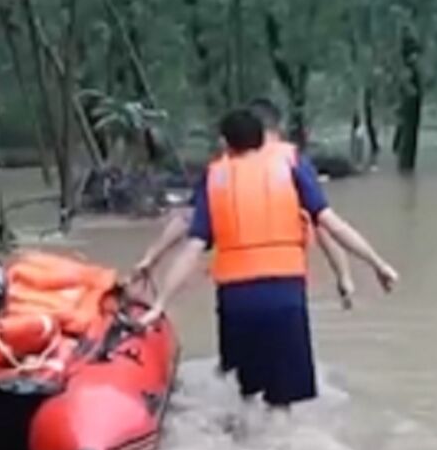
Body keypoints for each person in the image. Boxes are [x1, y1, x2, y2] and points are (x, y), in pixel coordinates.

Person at [136, 107, 398, 420]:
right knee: (281, 404)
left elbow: (191, 246)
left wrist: (160, 302)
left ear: (226, 144)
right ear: (264, 137)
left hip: (237, 302)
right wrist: (377, 264)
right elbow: (332, 227)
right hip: (285, 297)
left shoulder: (215, 177)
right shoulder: (291, 165)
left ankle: (243, 448)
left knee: (245, 395)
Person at [135, 100, 356, 309]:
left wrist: (151, 258)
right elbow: (324, 224)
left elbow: (188, 222)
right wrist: (344, 276)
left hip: (236, 290)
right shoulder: (291, 164)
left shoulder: (221, 171)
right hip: (285, 286)